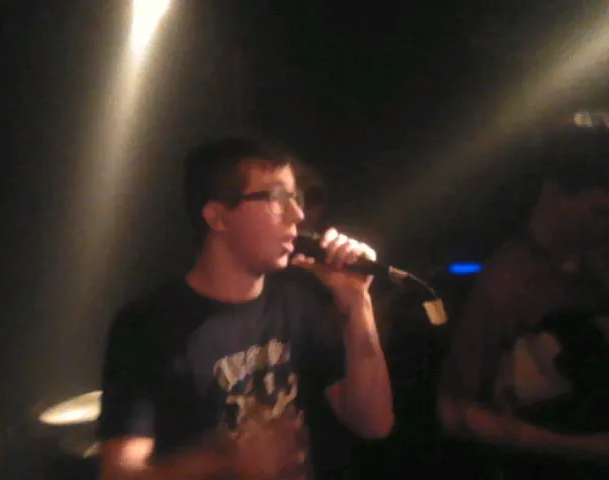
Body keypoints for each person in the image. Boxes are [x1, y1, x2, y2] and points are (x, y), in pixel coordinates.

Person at [97, 136, 393, 480]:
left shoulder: (295, 303)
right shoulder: (148, 323)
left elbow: (375, 423)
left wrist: (358, 304)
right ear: (218, 217)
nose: (297, 215)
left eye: (295, 198)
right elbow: (118, 473)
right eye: (276, 198)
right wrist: (222, 460)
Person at [437, 125, 609, 479]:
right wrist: (582, 448)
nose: (605, 227)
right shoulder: (504, 283)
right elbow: (454, 412)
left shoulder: (594, 262)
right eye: (600, 213)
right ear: (553, 195)